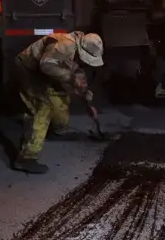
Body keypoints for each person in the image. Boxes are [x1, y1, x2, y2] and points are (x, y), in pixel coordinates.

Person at [13, 31, 104, 174]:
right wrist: (71, 79)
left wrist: (87, 96)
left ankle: (58, 130)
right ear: (82, 49)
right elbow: (46, 66)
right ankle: (26, 158)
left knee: (61, 97)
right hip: (29, 70)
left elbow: (78, 76)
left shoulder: (78, 51)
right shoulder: (66, 44)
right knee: (41, 108)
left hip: (47, 72)